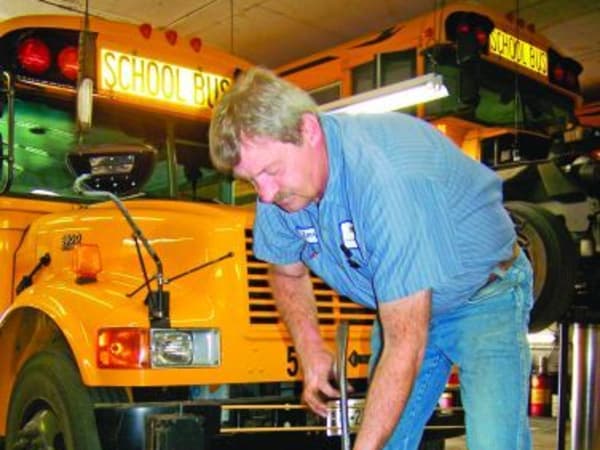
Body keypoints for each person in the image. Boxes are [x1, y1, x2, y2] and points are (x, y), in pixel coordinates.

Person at [209, 66, 533, 450]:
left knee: (495, 443)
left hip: (485, 296)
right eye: (251, 180)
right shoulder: (278, 192)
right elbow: (286, 271)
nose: (264, 194)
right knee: (388, 439)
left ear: (308, 130)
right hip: (403, 308)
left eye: (270, 171)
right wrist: (310, 348)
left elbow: (405, 343)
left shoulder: (386, 179)